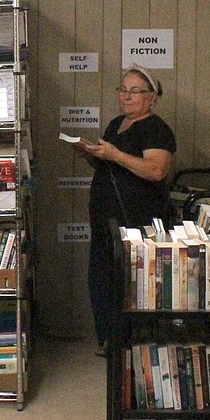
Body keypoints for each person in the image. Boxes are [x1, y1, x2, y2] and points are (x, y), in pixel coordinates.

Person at [70, 65, 176, 355]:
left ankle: (132, 344)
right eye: (123, 90)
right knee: (103, 279)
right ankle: (109, 340)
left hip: (138, 223)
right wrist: (91, 154)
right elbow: (111, 166)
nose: (126, 97)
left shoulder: (157, 129)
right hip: (106, 222)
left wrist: (115, 154)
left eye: (135, 91)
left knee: (131, 283)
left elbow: (156, 170)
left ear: (152, 98)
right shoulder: (116, 124)